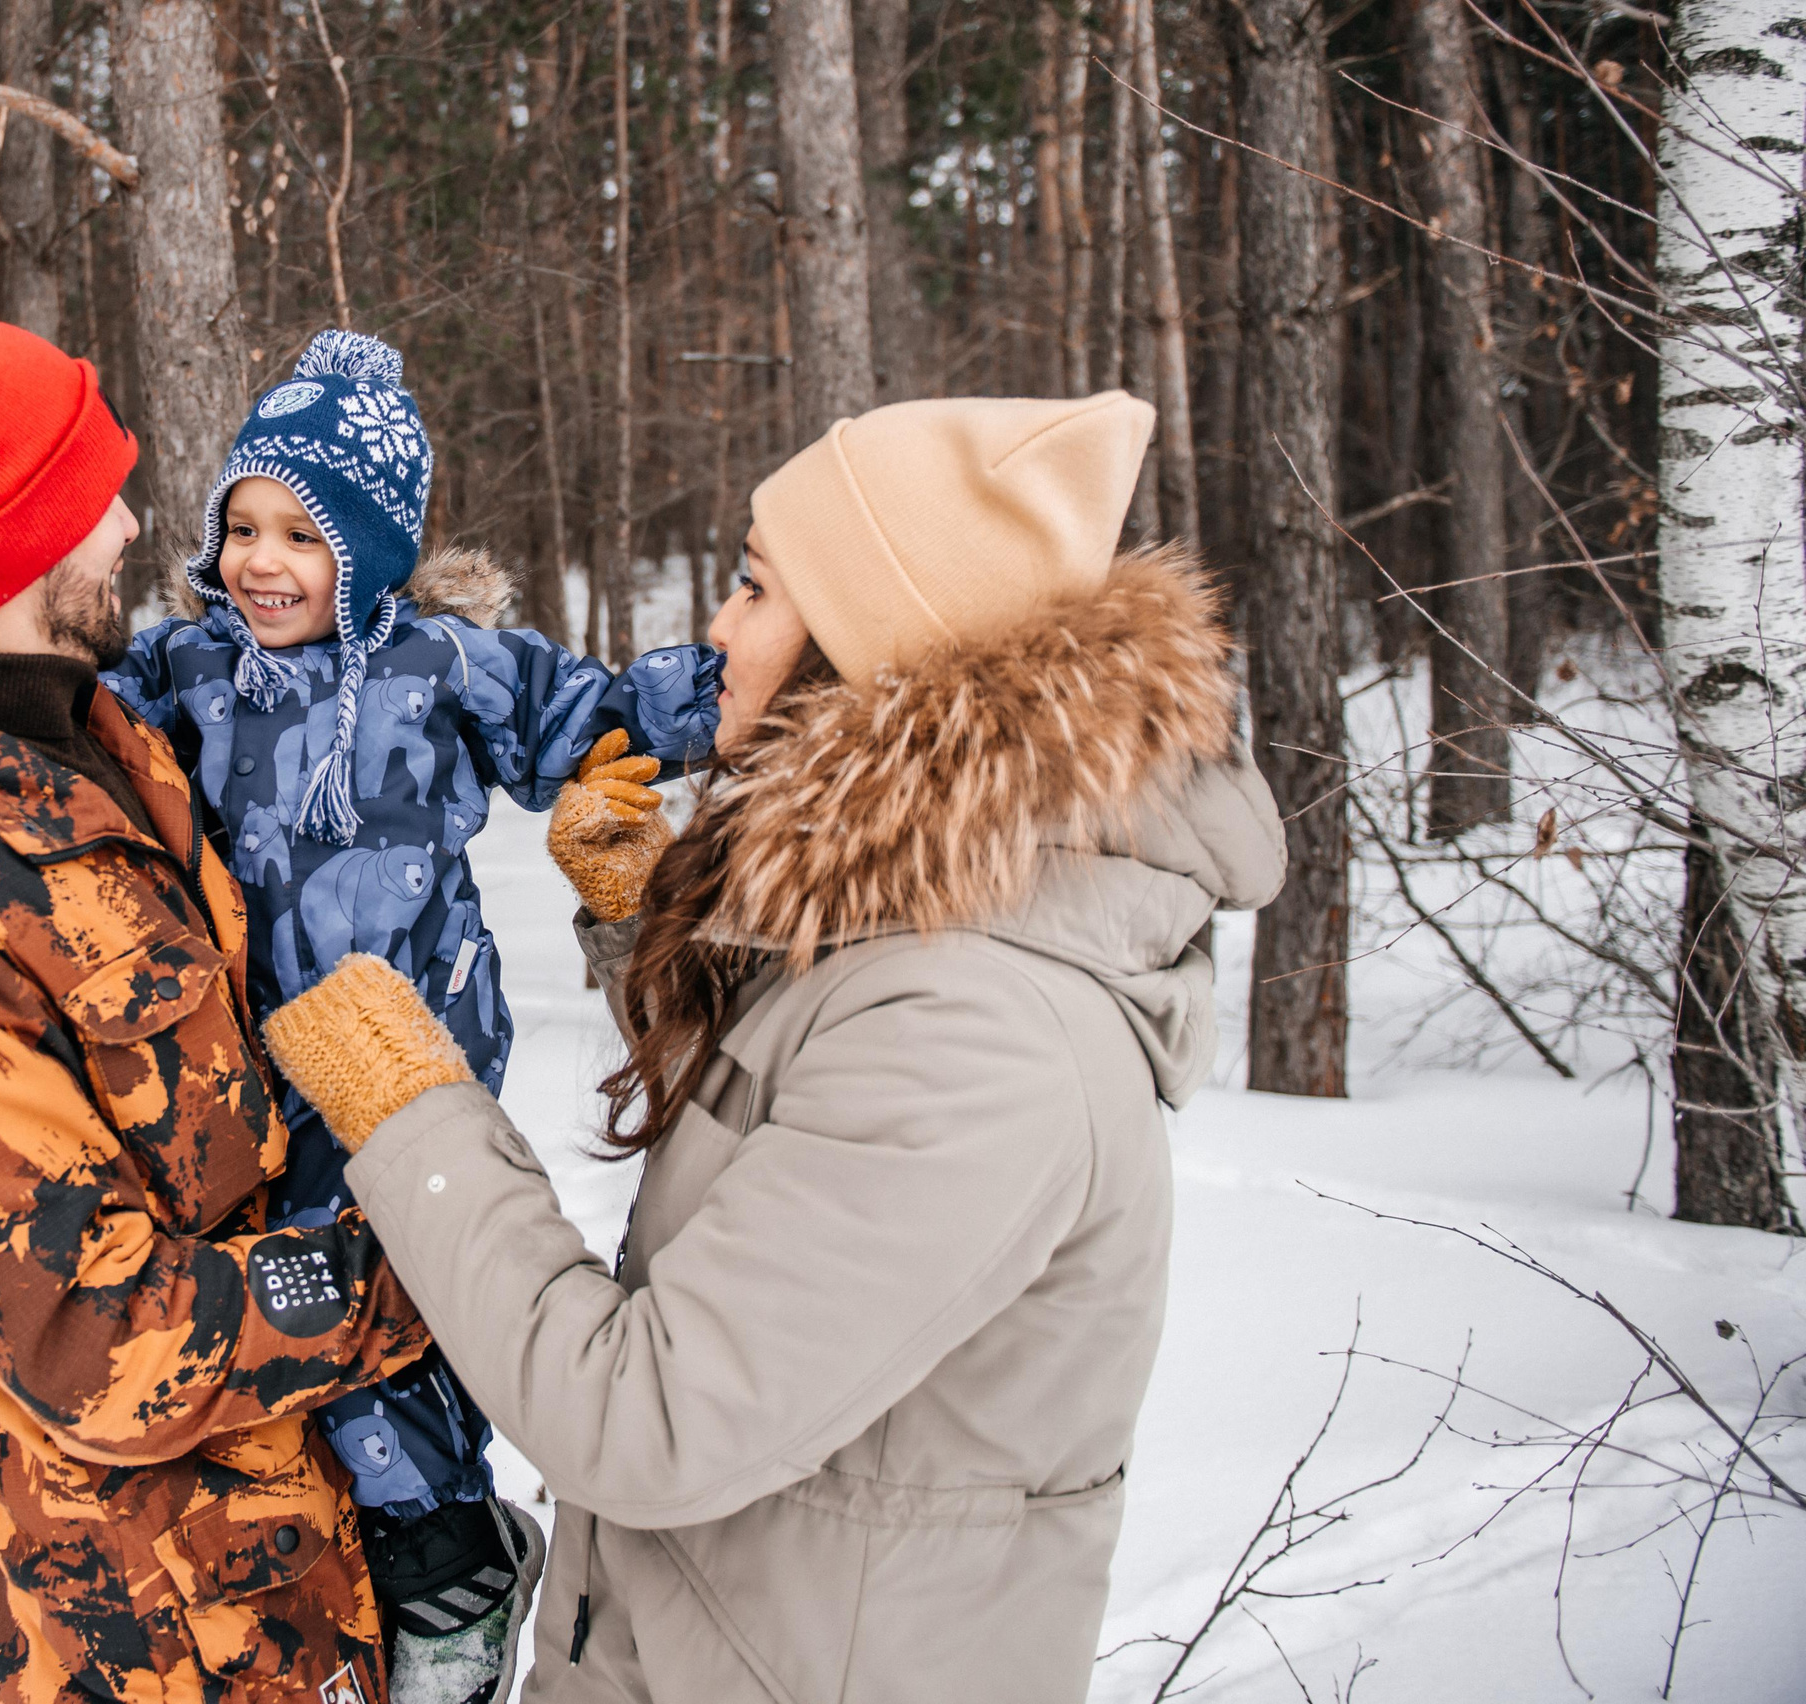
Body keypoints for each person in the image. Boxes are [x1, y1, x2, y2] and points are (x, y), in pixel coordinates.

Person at [254, 392, 1291, 1702]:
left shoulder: (989, 1039)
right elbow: (798, 1136)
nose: (718, 629)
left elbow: (647, 1420)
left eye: (753, 588)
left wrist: (415, 1119)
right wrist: (646, 931)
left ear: (877, 642)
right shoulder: (933, 937)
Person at [0, 254, 434, 1704]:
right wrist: (428, 1274)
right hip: (143, 1629)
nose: (126, 525)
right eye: (88, 499)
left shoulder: (91, 742)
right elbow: (91, 1334)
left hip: (293, 1554)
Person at [101, 329, 721, 1702]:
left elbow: (594, 719)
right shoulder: (194, 670)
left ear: (370, 551)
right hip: (251, 1059)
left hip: (415, 1047)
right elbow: (63, 729)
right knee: (290, 1309)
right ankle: (378, 1558)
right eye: (242, 528)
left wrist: (717, 699)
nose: (261, 563)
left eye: (302, 538)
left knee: (396, 1290)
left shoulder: (444, 662)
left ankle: (454, 1573)